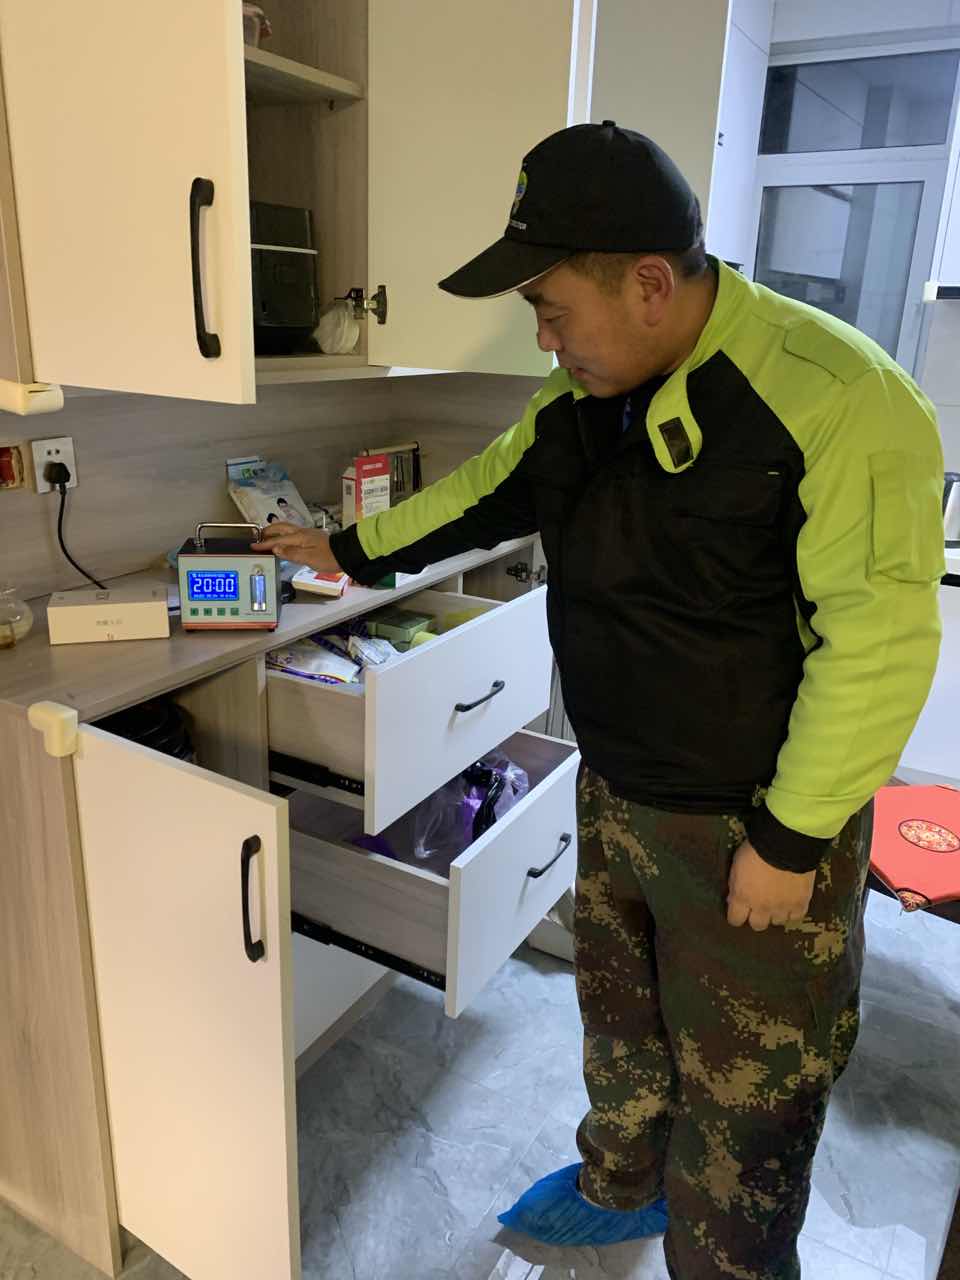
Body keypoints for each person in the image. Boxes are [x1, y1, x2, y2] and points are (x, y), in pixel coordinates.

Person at [253, 123, 944, 1279]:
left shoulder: (841, 397)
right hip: (619, 788)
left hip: (756, 826)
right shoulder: (584, 394)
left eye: (550, 307)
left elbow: (877, 649)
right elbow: (489, 488)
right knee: (623, 1024)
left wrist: (789, 839)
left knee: (748, 1107)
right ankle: (622, 1183)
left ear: (650, 283)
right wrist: (347, 548)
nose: (544, 336)